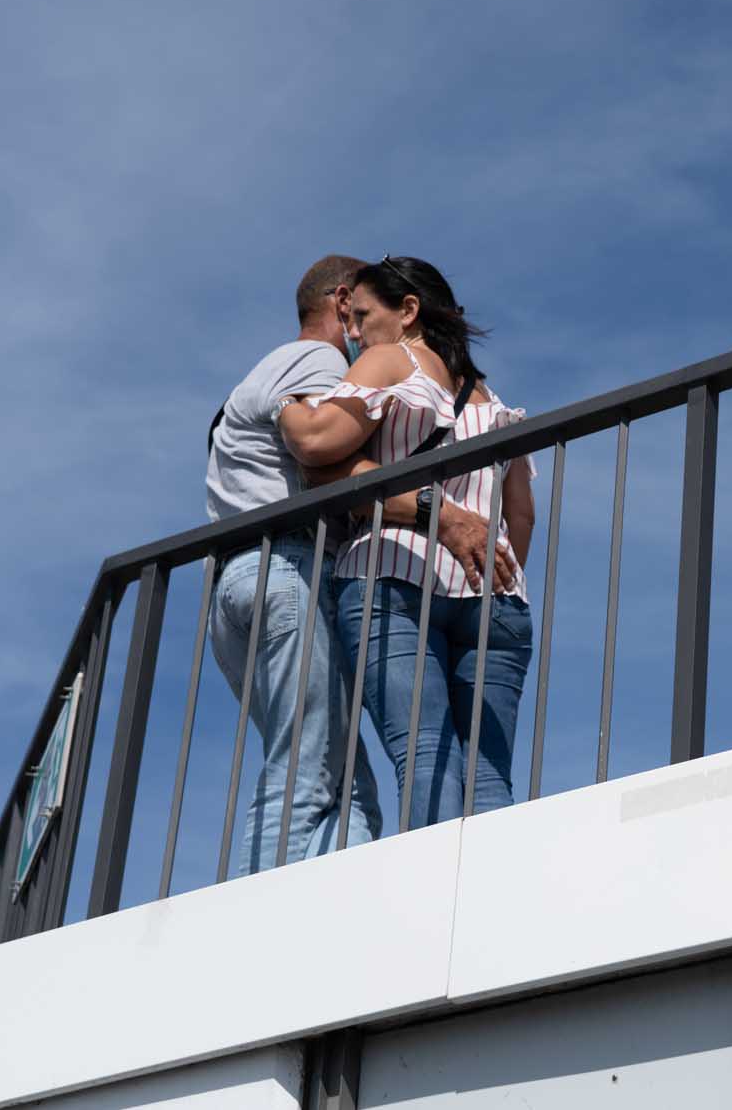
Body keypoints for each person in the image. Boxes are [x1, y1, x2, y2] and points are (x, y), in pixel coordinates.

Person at [278, 256, 536, 831]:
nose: (353, 331)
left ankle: (429, 903)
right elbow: (521, 516)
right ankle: (491, 906)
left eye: (364, 315)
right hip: (497, 595)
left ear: (408, 311)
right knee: (489, 773)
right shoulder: (495, 406)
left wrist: (288, 408)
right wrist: (491, 571)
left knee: (425, 753)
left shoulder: (393, 360)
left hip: (392, 574)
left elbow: (321, 444)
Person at [205, 255, 387, 873]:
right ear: (341, 302)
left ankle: (330, 915)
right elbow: (314, 451)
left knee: (346, 784)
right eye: (361, 308)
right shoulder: (320, 359)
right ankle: (262, 931)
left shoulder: (260, 373)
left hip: (241, 583)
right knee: (306, 775)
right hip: (287, 569)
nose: (365, 326)